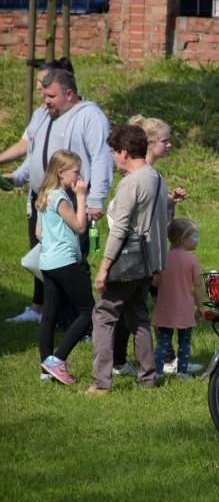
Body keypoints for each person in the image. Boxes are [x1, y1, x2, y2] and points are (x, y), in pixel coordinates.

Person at [86, 125, 169, 396]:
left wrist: (103, 269)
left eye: (113, 151)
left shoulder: (130, 183)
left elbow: (119, 229)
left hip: (128, 263)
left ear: (124, 151)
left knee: (103, 316)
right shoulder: (157, 176)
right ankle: (148, 378)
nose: (112, 156)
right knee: (139, 318)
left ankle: (101, 383)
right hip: (149, 262)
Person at [110, 115, 195, 377]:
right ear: (149, 143)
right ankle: (134, 361)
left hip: (145, 250)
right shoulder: (140, 174)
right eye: (165, 140)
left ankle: (131, 360)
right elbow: (121, 213)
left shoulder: (152, 175)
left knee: (137, 306)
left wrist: (170, 203)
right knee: (142, 307)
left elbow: (149, 212)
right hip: (137, 252)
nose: (169, 145)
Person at [1, 58, 82, 324]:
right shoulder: (41, 114)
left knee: (58, 254)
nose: (40, 88)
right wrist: (17, 176)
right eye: (39, 84)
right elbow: (32, 151)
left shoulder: (76, 116)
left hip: (61, 196)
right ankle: (41, 309)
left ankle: (61, 311)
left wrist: (86, 196)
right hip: (40, 196)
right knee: (39, 250)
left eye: (45, 85)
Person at [35, 150, 94, 385]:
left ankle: (45, 371)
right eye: (76, 171)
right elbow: (80, 227)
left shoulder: (44, 194)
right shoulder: (60, 197)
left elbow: (39, 232)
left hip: (47, 263)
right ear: (61, 172)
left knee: (48, 315)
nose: (79, 176)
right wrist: (81, 196)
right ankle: (57, 360)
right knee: (89, 311)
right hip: (65, 262)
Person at [151, 218, 205, 380]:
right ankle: (182, 371)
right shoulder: (192, 260)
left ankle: (158, 371)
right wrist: (201, 305)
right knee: (185, 341)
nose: (198, 240)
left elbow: (154, 282)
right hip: (184, 308)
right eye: (195, 236)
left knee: (163, 341)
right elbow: (198, 285)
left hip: (165, 307)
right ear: (183, 239)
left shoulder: (163, 258)